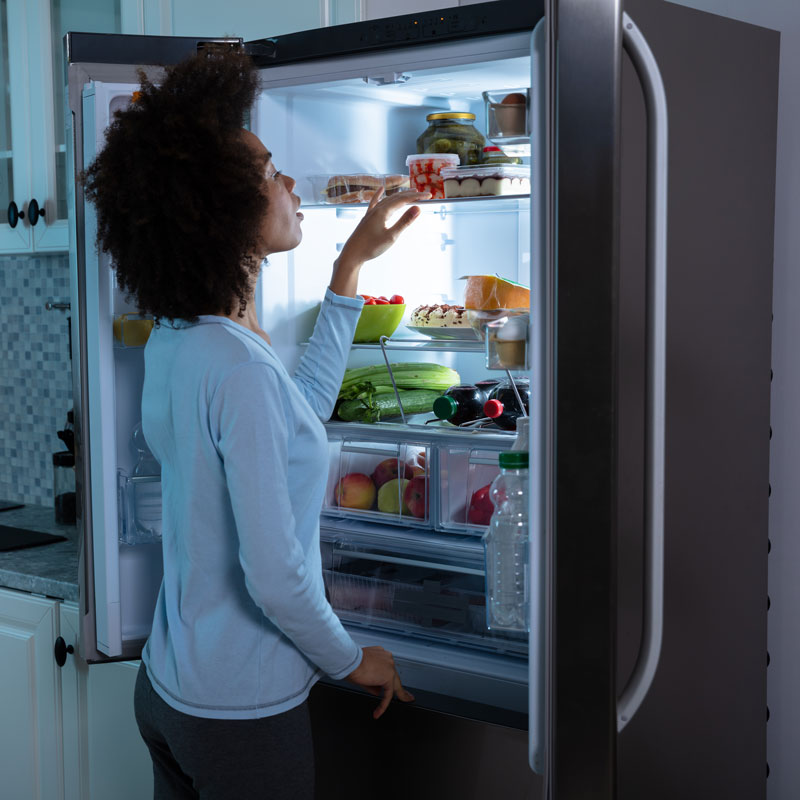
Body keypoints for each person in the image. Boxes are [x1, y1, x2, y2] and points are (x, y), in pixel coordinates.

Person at [82, 48, 430, 799]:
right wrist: (348, 659)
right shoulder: (237, 366)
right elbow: (273, 573)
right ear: (224, 210)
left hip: (170, 687)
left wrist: (347, 270)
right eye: (272, 172)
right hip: (238, 710)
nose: (290, 183)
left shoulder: (185, 336)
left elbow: (298, 413)